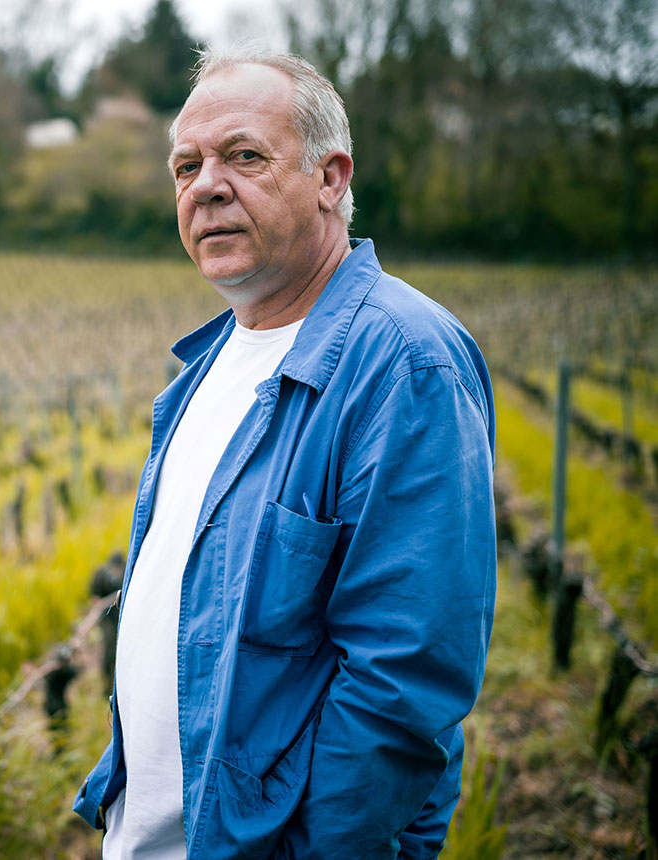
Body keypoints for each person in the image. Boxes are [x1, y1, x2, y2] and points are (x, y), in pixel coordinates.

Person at [73, 44, 496, 860]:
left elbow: (402, 683)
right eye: (185, 166)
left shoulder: (403, 362)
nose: (207, 186)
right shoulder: (212, 361)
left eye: (244, 156)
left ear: (332, 178)